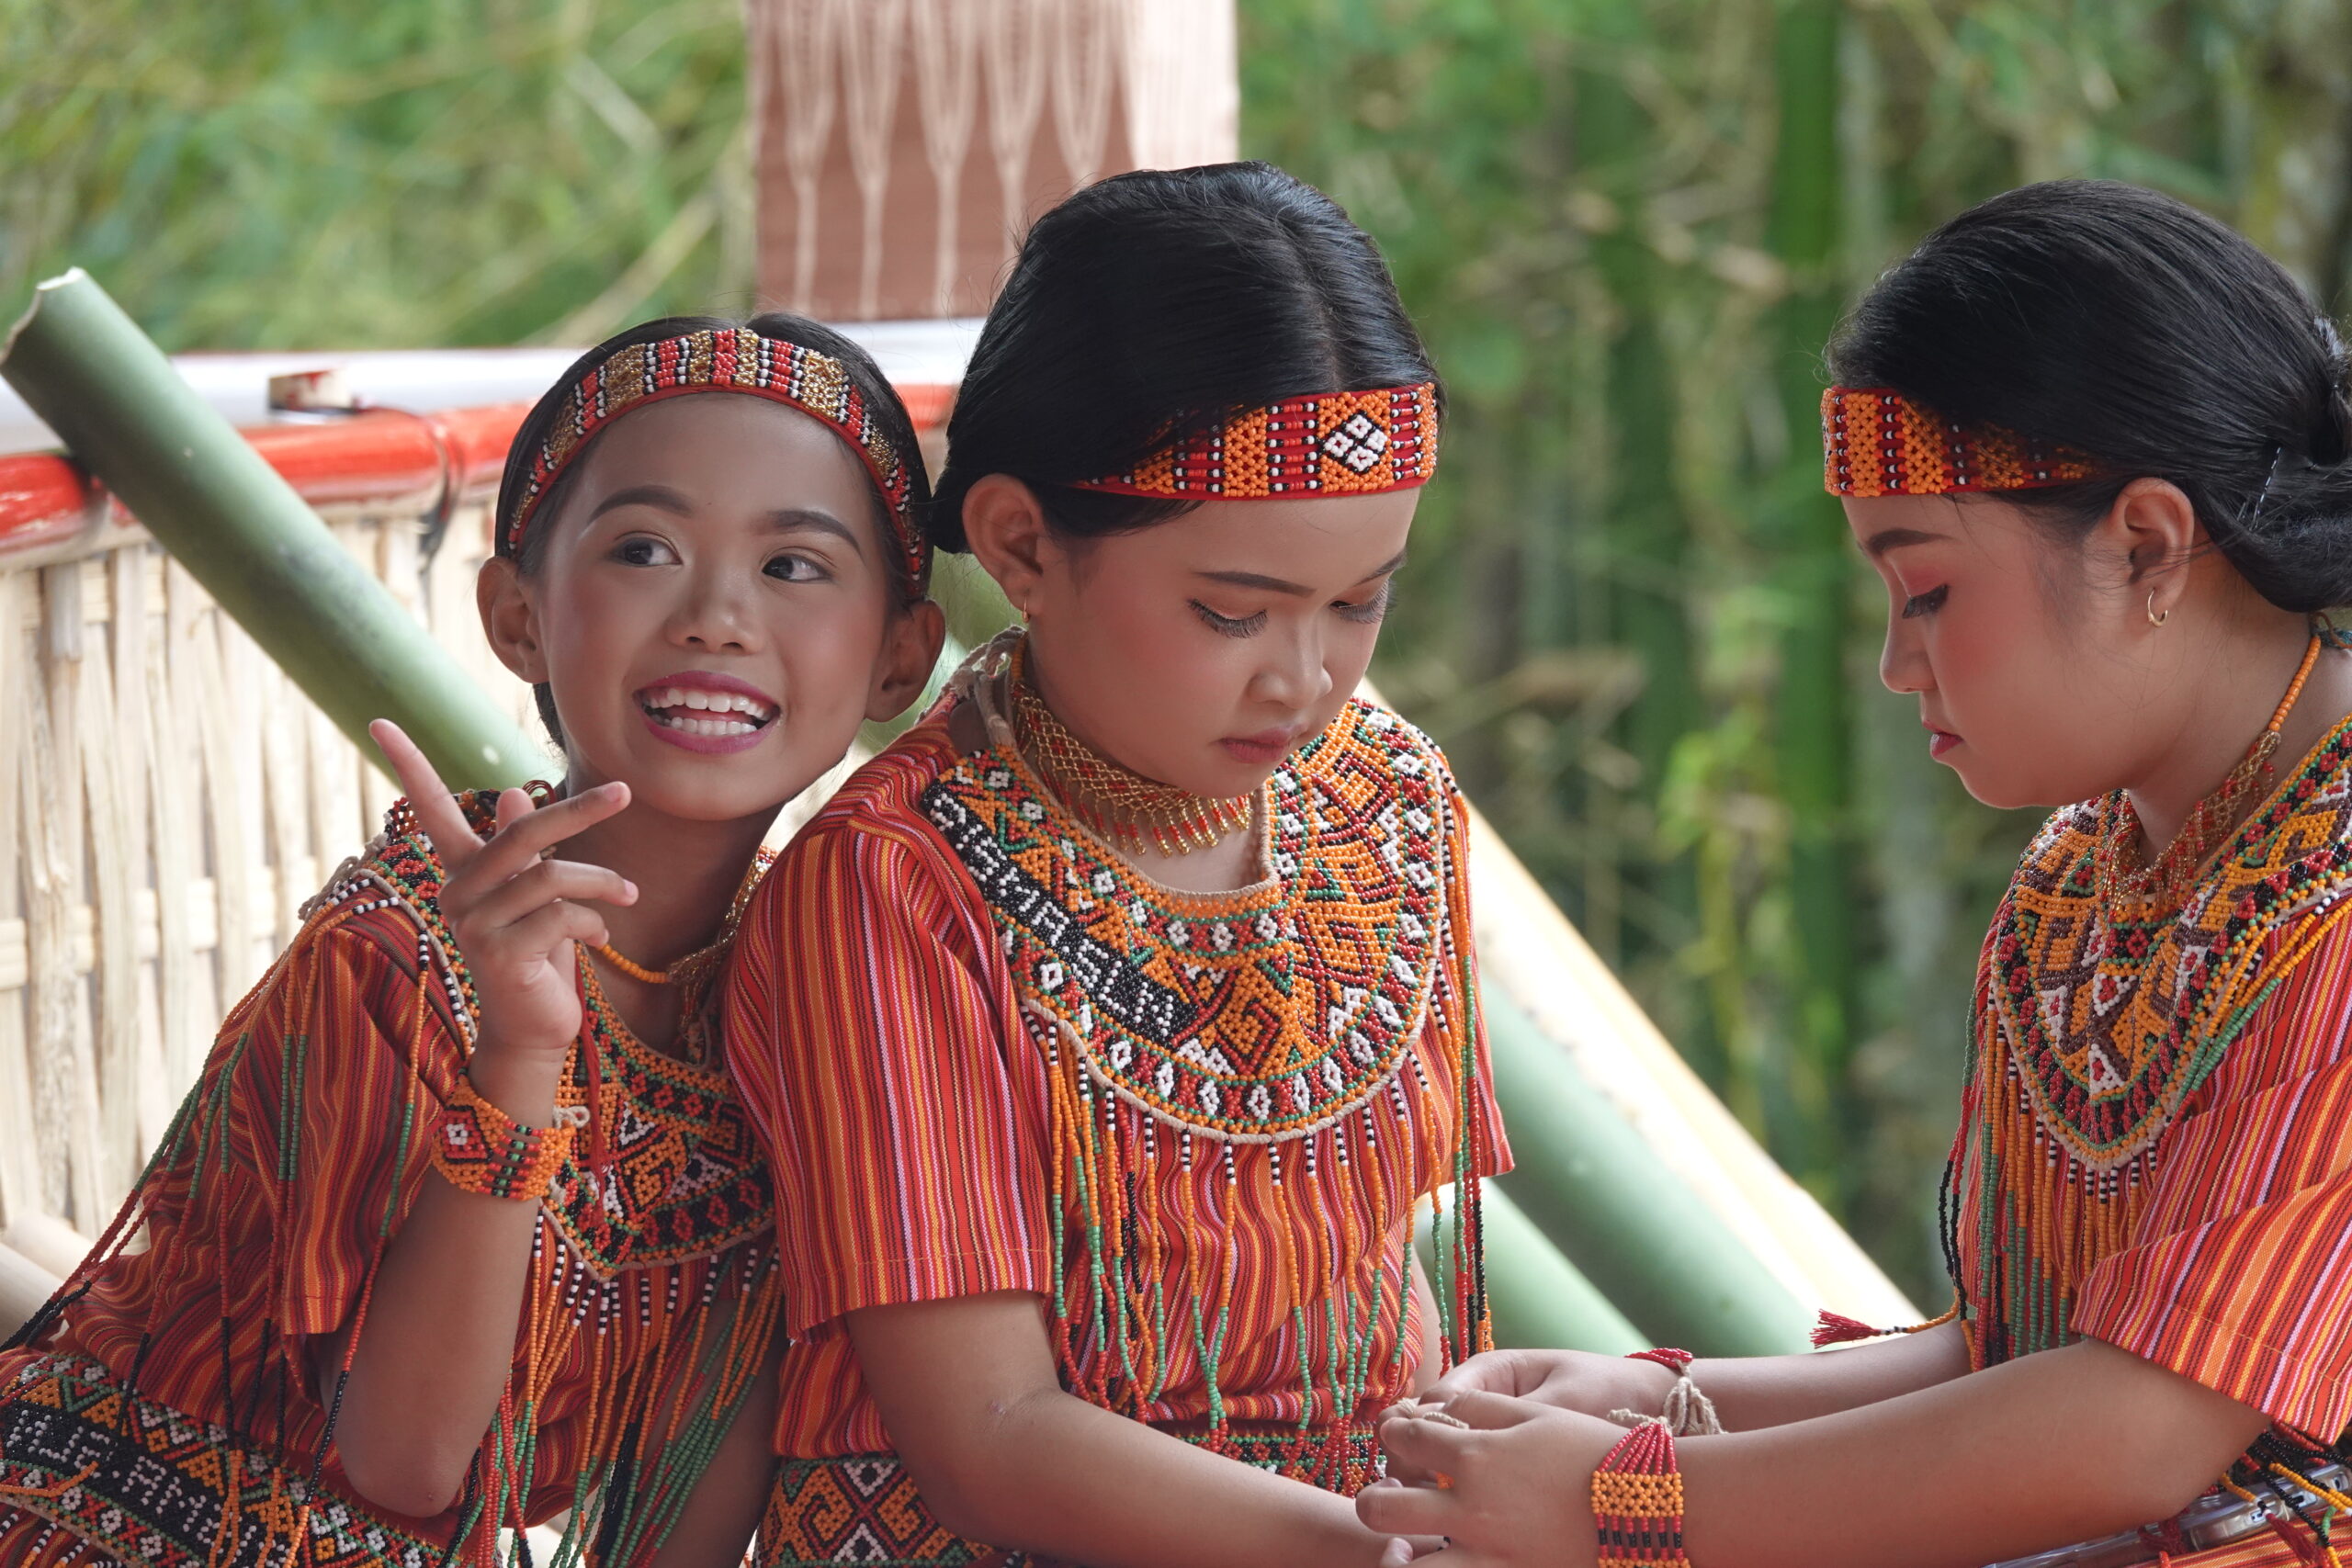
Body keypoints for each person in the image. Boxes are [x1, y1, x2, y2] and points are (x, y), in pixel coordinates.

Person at [1353, 179, 2352, 1568]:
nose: (1897, 663)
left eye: (1928, 587)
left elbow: (2131, 1428)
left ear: (2146, 545)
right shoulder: (2078, 888)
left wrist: (1622, 1502)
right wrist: (1670, 1404)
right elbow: (2022, 1361)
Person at [0, 313, 944, 1567]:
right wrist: (518, 1062)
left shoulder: (809, 985)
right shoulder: (401, 951)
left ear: (902, 656)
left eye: (795, 566)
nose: (718, 617)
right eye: (646, 549)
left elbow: (684, 1502)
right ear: (516, 616)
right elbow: (405, 1462)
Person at [724, 161, 1510, 1568]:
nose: (1308, 677)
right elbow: (993, 1437)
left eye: (1359, 603)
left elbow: (1390, 1289)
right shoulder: (892, 885)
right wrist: (1372, 1555)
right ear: (1022, 545)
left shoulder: (1390, 805)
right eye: (1232, 611)